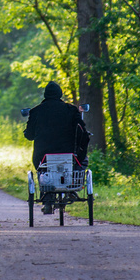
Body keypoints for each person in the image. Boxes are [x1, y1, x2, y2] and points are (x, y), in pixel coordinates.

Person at [24, 81, 90, 212]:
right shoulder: (71, 110)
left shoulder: (35, 111)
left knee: (42, 168)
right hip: (69, 155)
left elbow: (29, 135)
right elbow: (82, 131)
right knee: (82, 160)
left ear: (45, 95)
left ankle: (47, 194)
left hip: (43, 157)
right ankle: (71, 187)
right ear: (60, 94)